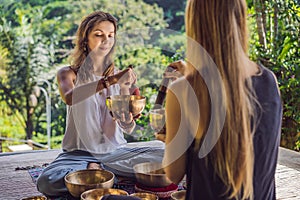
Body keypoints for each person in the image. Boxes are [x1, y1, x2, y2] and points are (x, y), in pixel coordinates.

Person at [162, 0, 282, 200]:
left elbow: (173, 174)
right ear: (240, 18)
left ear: (195, 24)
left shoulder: (182, 91)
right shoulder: (270, 81)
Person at [37, 11, 164, 197]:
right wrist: (111, 81)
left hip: (115, 153)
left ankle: (97, 171)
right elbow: (70, 97)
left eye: (110, 35)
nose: (106, 40)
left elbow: (128, 127)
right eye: (98, 35)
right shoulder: (68, 74)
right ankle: (108, 176)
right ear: (85, 39)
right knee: (47, 181)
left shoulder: (121, 76)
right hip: (77, 155)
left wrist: (127, 118)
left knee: (166, 154)